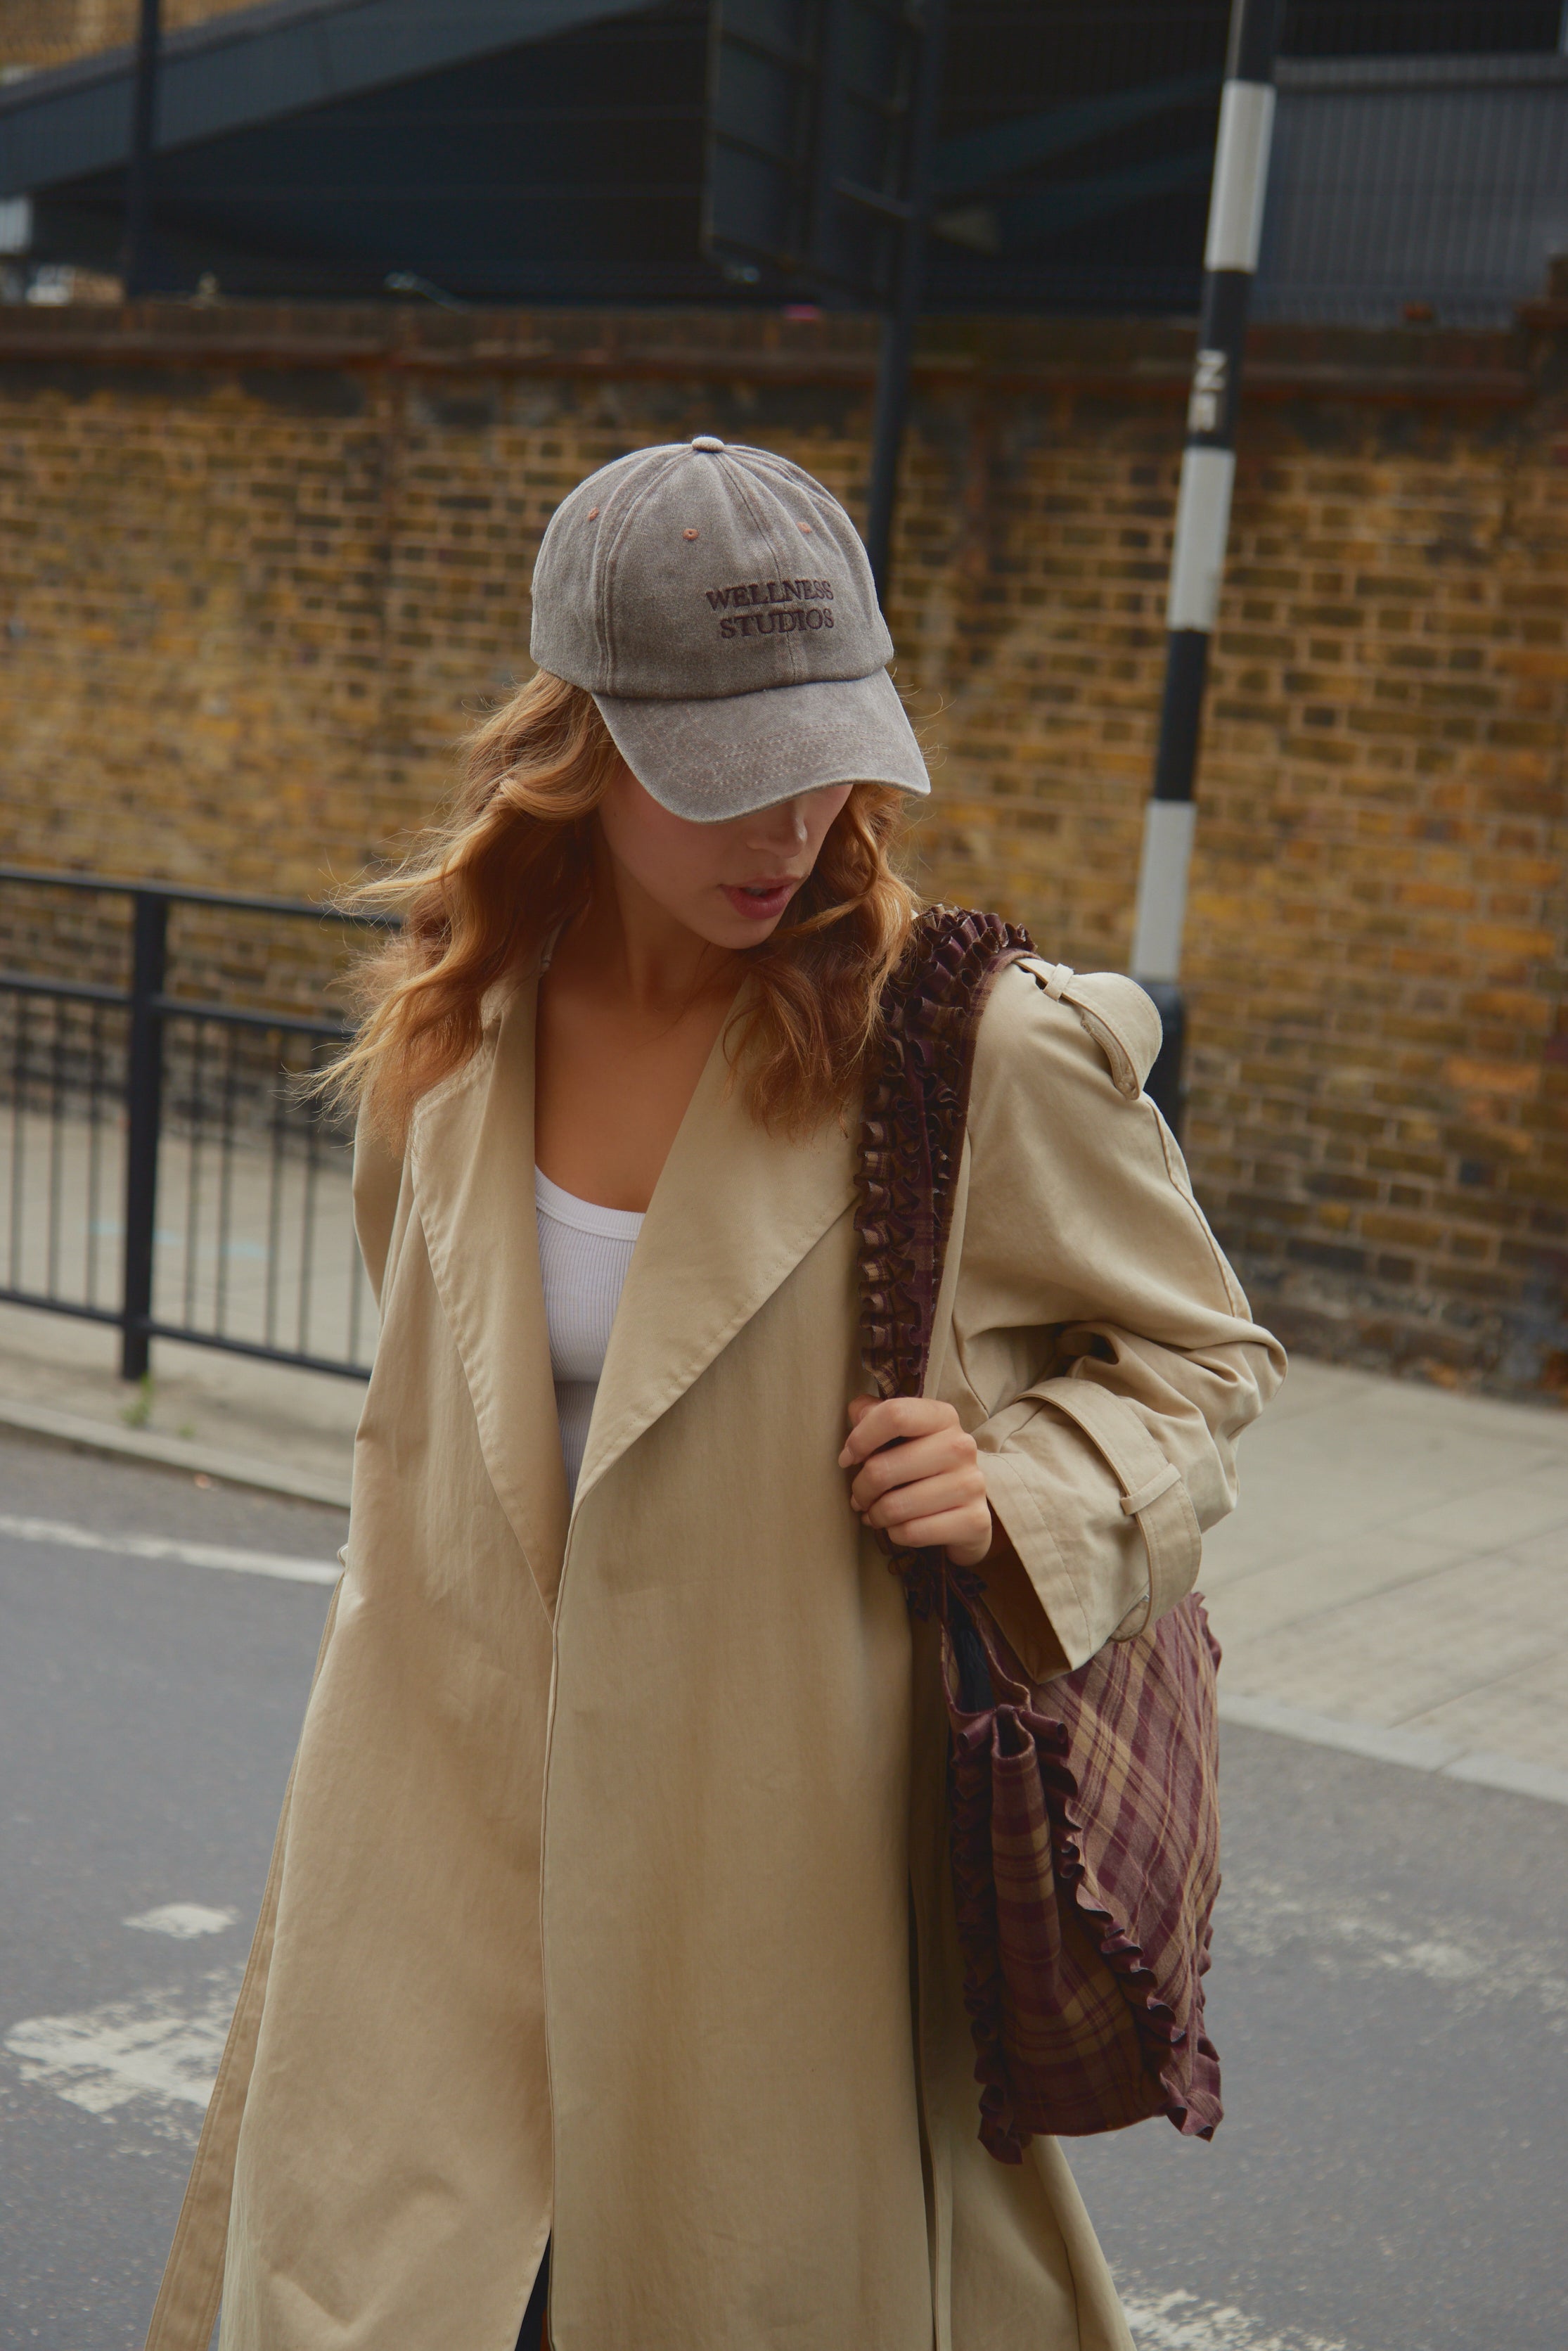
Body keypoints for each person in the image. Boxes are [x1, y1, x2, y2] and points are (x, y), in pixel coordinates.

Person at [143, 437, 1284, 2351]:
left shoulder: (972, 1044)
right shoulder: (458, 1012)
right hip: (429, 1845)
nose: (793, 823)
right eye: (724, 775)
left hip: (774, 1892)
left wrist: (1023, 1484)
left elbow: (1199, 1360)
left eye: (828, 756)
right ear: (583, 747)